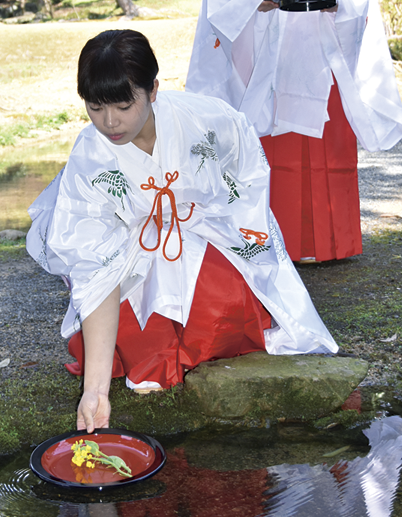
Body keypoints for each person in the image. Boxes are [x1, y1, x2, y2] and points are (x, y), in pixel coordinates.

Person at [26, 29, 337, 433]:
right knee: (142, 347)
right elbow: (96, 267)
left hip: (204, 230)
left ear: (153, 90)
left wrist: (207, 218)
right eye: (95, 107)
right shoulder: (91, 158)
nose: (109, 122)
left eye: (123, 105)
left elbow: (247, 181)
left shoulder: (208, 120)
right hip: (129, 253)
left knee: (222, 306)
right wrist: (96, 391)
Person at [186, 0, 402, 262]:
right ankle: (269, 235)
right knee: (272, 143)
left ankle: (331, 242)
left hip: (325, 39)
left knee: (328, 136)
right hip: (268, 40)